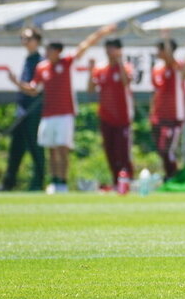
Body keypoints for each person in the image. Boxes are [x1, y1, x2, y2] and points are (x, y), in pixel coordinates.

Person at [8, 24, 116, 194]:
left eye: (50, 50)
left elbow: (84, 46)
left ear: (58, 51)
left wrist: (101, 32)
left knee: (62, 149)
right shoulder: (42, 67)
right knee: (51, 149)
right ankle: (55, 182)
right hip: (48, 114)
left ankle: (63, 183)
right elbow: (34, 89)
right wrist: (17, 83)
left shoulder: (66, 62)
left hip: (65, 114)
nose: (47, 53)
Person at [0, 28, 45, 191]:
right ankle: (8, 183)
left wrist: (16, 82)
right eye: (22, 38)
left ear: (37, 40)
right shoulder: (28, 59)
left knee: (35, 147)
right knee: (16, 148)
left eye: (28, 38)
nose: (24, 41)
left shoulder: (40, 61)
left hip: (33, 110)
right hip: (22, 110)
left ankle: (38, 183)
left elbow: (35, 89)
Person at [88, 38, 135, 188]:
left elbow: (125, 82)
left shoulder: (126, 67)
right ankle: (116, 181)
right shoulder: (100, 68)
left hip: (123, 118)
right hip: (106, 117)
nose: (110, 52)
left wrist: (120, 62)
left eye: (113, 48)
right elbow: (90, 89)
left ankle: (128, 180)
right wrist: (90, 70)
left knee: (123, 152)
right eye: (108, 48)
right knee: (110, 151)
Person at [150, 36, 185, 180]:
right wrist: (152, 113)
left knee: (168, 149)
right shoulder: (157, 69)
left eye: (161, 49)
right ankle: (169, 175)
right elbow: (155, 93)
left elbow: (171, 60)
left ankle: (173, 176)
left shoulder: (177, 66)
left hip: (174, 117)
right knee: (161, 149)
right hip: (159, 116)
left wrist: (165, 39)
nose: (158, 52)